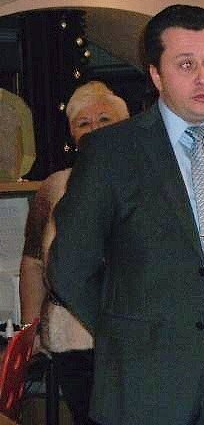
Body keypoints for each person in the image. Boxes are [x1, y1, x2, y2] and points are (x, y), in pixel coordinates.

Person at [48, 4, 204, 425]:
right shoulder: (112, 152)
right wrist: (127, 331)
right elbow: (69, 265)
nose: (203, 77)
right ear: (157, 75)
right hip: (146, 383)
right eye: (186, 65)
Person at [19, 81, 129, 425]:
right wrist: (31, 334)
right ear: (72, 134)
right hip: (71, 340)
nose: (94, 129)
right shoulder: (53, 187)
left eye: (104, 120)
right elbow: (33, 264)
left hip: (132, 339)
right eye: (83, 123)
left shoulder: (146, 182)